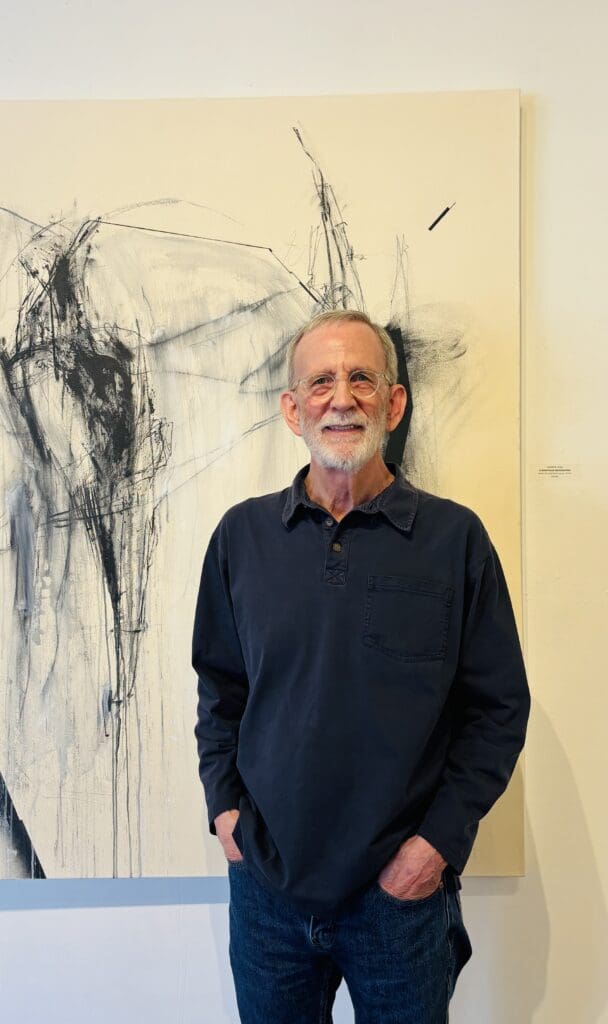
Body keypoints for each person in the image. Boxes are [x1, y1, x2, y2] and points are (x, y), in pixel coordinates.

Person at [192, 309, 530, 1023]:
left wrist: (434, 847)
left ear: (394, 401)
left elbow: (497, 711)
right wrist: (225, 810)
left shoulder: (454, 540)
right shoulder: (241, 538)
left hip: (398, 906)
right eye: (319, 381)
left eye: (360, 378)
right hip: (268, 898)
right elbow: (221, 689)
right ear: (292, 409)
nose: (340, 398)